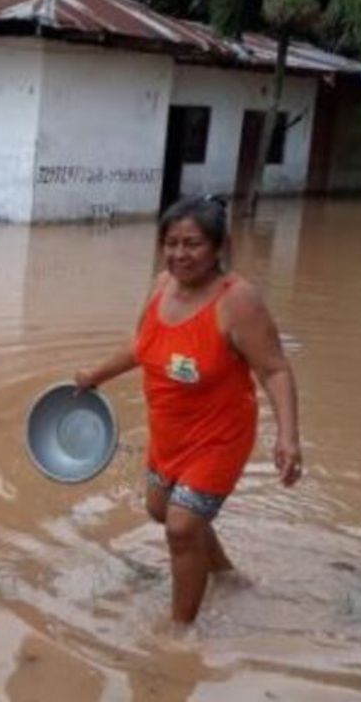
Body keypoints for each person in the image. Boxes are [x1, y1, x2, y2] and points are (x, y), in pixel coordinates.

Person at [75, 195, 301, 624]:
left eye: (193, 244)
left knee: (180, 527)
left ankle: (180, 633)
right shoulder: (162, 286)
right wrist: (95, 375)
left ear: (218, 248)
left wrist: (288, 437)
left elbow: (274, 370)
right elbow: (141, 345)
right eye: (172, 243)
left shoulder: (238, 301)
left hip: (220, 437)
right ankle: (224, 574)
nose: (180, 254)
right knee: (161, 510)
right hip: (169, 432)